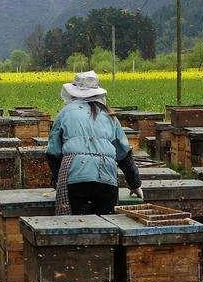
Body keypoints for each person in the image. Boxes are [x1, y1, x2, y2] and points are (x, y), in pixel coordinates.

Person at [46, 71, 142, 215]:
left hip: (75, 179)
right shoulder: (110, 116)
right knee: (106, 229)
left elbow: (53, 152)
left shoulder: (65, 113)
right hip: (107, 178)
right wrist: (135, 184)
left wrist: (58, 181)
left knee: (76, 227)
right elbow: (124, 155)